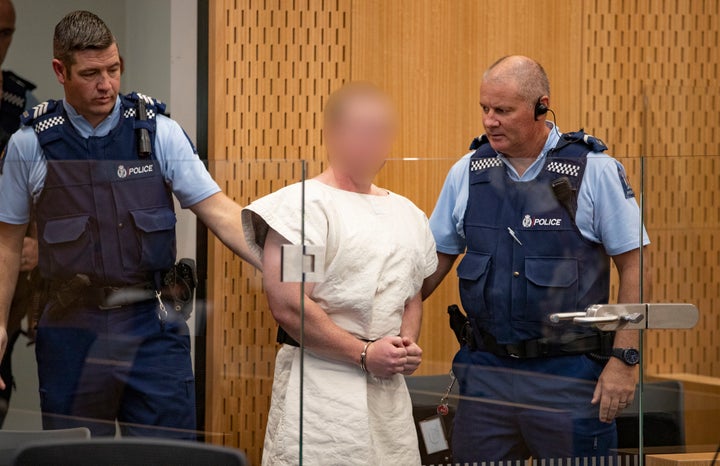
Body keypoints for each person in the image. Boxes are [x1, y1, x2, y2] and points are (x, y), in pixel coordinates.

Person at [0, 10, 258, 438]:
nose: (107, 85)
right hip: (72, 327)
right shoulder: (30, 145)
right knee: (75, 457)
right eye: (91, 73)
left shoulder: (159, 132)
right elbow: (7, 245)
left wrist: (289, 263)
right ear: (60, 71)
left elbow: (221, 212)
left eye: (114, 69)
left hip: (153, 325)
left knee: (167, 456)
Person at [422, 55, 649, 462]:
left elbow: (636, 265)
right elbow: (436, 260)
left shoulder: (593, 170)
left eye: (503, 110)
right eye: (485, 109)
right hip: (487, 373)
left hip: (569, 375)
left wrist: (624, 359)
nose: (490, 120)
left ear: (541, 106)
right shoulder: (467, 171)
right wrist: (380, 318)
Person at [242, 83, 437, 465]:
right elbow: (292, 303)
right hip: (319, 392)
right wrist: (364, 353)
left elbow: (411, 294)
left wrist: (404, 347)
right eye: (360, 130)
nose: (371, 141)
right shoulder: (307, 210)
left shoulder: (409, 214)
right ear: (331, 134)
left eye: (380, 131)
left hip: (387, 394)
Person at [0, 0, 41, 427]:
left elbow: (46, 199)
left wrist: (38, 247)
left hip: (7, 287)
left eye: (4, 33)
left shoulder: (23, 103)